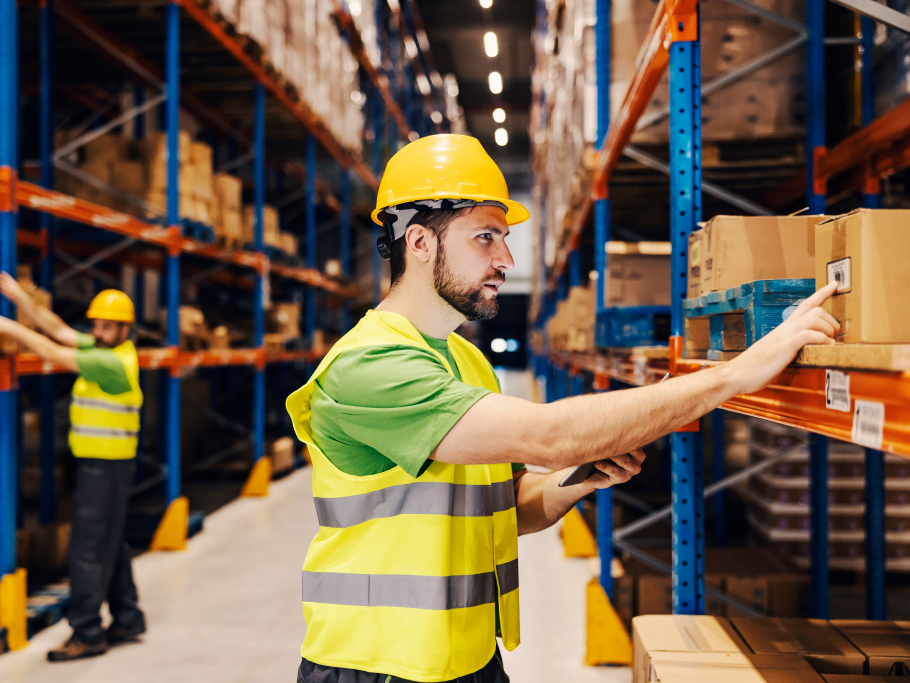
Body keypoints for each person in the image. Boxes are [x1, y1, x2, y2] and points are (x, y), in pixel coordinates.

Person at [286, 134, 839, 683]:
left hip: (470, 660)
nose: (505, 258)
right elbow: (551, 436)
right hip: (375, 666)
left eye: (504, 238)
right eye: (485, 237)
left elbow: (507, 507)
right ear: (420, 243)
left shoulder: (466, 361)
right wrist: (741, 371)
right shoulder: (368, 366)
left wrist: (574, 481)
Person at [0, 278, 147, 662]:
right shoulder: (109, 347)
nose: (96, 332)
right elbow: (61, 331)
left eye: (105, 326)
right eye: (95, 324)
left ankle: (86, 632)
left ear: (124, 330)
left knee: (86, 548)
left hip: (104, 466)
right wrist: (22, 300)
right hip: (110, 464)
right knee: (111, 541)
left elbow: (54, 349)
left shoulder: (112, 363)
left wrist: (6, 326)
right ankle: (128, 617)